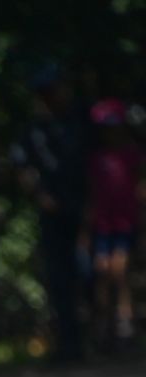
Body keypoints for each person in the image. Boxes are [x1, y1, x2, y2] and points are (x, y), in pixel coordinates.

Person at [11, 68, 87, 363]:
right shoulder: (34, 131)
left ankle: (103, 339)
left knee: (92, 274)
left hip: (87, 213)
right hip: (54, 216)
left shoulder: (80, 122)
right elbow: (21, 166)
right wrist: (42, 196)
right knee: (59, 280)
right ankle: (69, 346)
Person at [86, 99, 143, 349]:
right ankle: (104, 324)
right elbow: (91, 194)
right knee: (102, 271)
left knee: (119, 270)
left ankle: (125, 322)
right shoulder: (97, 158)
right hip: (102, 224)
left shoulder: (132, 154)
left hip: (125, 222)